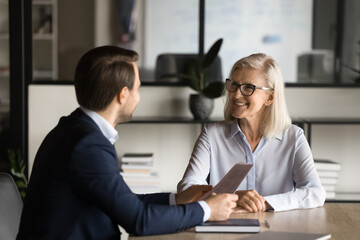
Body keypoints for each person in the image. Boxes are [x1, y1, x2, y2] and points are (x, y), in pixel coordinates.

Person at [16, 46, 239, 239]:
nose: (138, 96)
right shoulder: (87, 145)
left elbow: (124, 202)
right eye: (138, 88)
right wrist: (207, 210)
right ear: (123, 95)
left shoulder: (76, 130)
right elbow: (139, 221)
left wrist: (177, 199)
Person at [177, 53, 326, 213]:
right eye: (233, 84)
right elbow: (187, 188)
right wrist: (234, 197)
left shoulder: (293, 137)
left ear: (270, 97)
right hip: (224, 230)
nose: (236, 94)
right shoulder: (211, 135)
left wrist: (261, 203)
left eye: (248, 87)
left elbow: (315, 193)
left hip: (276, 230)